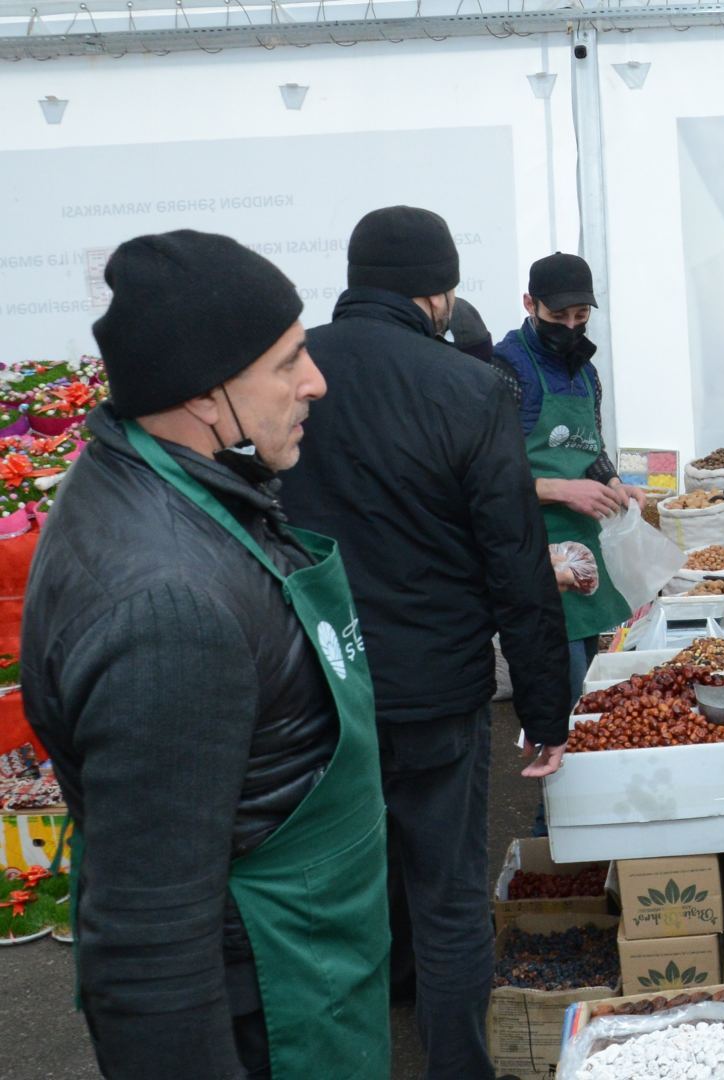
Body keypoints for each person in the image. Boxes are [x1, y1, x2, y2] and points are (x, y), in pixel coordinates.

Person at [21, 230, 389, 1078]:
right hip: (270, 1005)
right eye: (289, 361)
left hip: (312, 959)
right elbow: (146, 944)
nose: (316, 381)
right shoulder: (168, 607)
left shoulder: (177, 482)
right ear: (204, 391)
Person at [275, 206, 571, 1079]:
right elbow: (515, 561)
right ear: (436, 293)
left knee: (339, 893)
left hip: (319, 683)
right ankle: (458, 1066)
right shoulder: (469, 389)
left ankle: (357, 1045)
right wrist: (547, 709)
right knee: (447, 895)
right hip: (438, 685)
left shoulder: (291, 374)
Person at [493, 252, 645, 699]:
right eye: (558, 315)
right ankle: (557, 763)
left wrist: (613, 484)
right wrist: (562, 490)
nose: (571, 327)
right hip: (532, 543)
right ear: (529, 304)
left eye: (581, 316)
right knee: (560, 683)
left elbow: (591, 449)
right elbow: (487, 475)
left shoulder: (586, 373)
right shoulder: (505, 371)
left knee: (589, 679)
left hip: (583, 542)